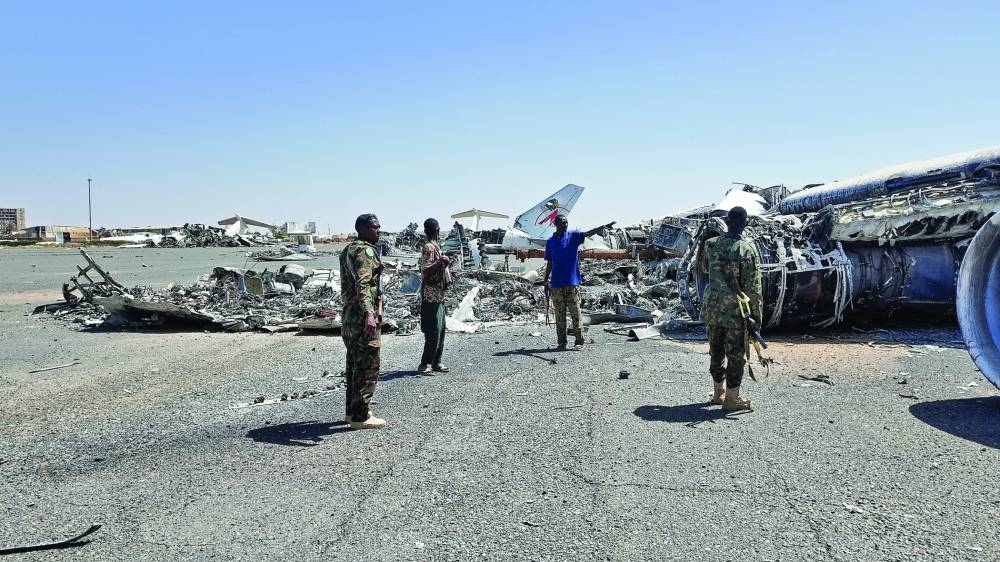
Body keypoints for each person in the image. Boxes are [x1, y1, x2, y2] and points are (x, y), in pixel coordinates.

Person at [699, 206, 762, 412]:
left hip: (712, 308)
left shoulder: (710, 245)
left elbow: (705, 269)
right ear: (745, 224)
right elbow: (753, 288)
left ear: (726, 221)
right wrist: (756, 318)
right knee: (736, 355)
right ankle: (732, 400)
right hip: (737, 312)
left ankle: (719, 393)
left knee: (716, 351)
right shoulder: (746, 250)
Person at [340, 213, 386, 429]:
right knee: (368, 364)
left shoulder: (348, 249)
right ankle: (361, 416)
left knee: (354, 364)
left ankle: (352, 411)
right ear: (362, 229)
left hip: (350, 316)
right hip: (361, 316)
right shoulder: (365, 250)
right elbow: (363, 283)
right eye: (375, 227)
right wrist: (369, 312)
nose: (379, 230)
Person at [543, 214, 615, 350]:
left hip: (572, 283)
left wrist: (602, 227)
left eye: (566, 223)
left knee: (576, 313)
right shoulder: (550, 242)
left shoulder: (573, 237)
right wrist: (545, 280)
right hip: (556, 284)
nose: (565, 225)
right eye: (562, 223)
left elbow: (588, 233)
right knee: (560, 316)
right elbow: (550, 262)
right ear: (556, 224)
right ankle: (562, 342)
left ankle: (579, 341)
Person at [417, 218, 453, 375]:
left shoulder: (435, 246)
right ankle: (425, 364)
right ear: (437, 230)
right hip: (431, 296)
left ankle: (436, 362)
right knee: (433, 331)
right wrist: (440, 261)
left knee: (441, 330)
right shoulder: (429, 247)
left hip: (439, 295)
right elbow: (425, 271)